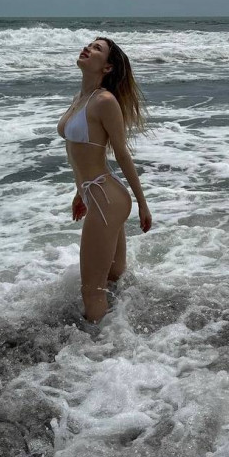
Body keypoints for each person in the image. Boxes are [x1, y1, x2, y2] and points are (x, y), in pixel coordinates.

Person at [57, 36, 152, 323]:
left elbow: (122, 154)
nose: (88, 48)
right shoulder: (80, 99)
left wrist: (143, 204)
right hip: (97, 195)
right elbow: (80, 153)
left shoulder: (104, 101)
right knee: (113, 277)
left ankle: (97, 346)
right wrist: (80, 192)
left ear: (107, 67)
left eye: (97, 48)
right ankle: (126, 324)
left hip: (106, 199)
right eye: (89, 44)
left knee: (91, 290)